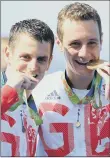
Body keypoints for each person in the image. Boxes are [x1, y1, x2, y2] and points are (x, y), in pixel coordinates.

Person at [32, 2, 110, 156]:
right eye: (75, 44)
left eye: (92, 43)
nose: (84, 54)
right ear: (59, 43)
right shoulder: (37, 91)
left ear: (101, 41)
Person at [1, 19, 54, 156]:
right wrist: (9, 90)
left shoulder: (37, 104)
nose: (33, 67)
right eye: (25, 57)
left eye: (41, 59)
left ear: (49, 62)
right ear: (8, 54)